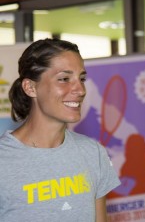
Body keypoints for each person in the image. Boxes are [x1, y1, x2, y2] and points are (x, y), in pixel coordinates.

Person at [0, 38, 120, 222]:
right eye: (64, 79)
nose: (80, 90)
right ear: (30, 87)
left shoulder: (92, 153)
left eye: (81, 79)